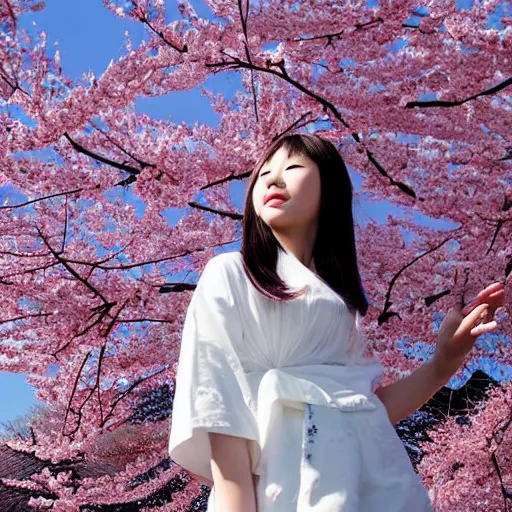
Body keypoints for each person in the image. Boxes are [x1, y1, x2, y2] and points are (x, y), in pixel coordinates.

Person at [168, 133, 504, 511]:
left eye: (292, 168)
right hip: (286, 480)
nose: (272, 180)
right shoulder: (230, 273)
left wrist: (443, 364)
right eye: (263, 174)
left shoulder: (341, 310)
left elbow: (364, 407)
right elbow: (218, 399)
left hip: (370, 480)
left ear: (330, 189)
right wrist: (234, 500)